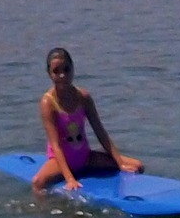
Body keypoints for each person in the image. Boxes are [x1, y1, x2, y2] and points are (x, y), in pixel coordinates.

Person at [29, 47, 143, 194]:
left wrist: (120, 164)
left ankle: (132, 195)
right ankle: (45, 212)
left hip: (86, 158)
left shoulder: (83, 97)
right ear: (49, 73)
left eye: (66, 69)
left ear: (73, 69)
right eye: (56, 71)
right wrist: (69, 178)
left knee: (137, 166)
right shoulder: (48, 103)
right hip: (60, 161)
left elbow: (100, 131)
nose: (62, 75)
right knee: (38, 182)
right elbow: (55, 145)